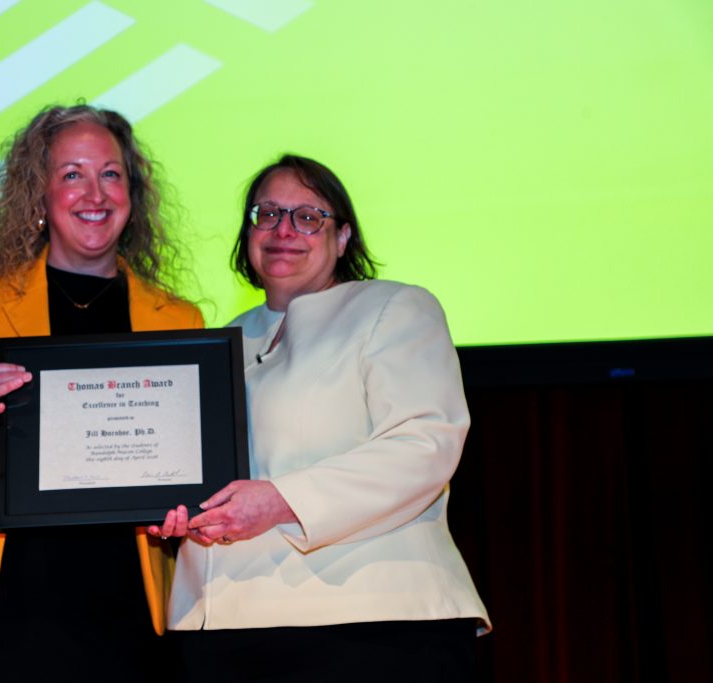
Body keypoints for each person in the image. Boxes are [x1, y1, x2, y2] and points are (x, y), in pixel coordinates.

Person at [0, 104, 203, 682]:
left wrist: (184, 506)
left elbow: (191, 463)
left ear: (132, 192)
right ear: (39, 195)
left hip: (118, 601)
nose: (94, 192)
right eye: (71, 174)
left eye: (110, 173)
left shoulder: (175, 317)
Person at [149, 155, 490, 682]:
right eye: (267, 214)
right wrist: (166, 505)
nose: (284, 230)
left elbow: (425, 445)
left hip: (371, 624)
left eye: (308, 217)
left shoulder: (394, 308)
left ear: (343, 237)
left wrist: (280, 501)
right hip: (220, 631)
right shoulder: (220, 341)